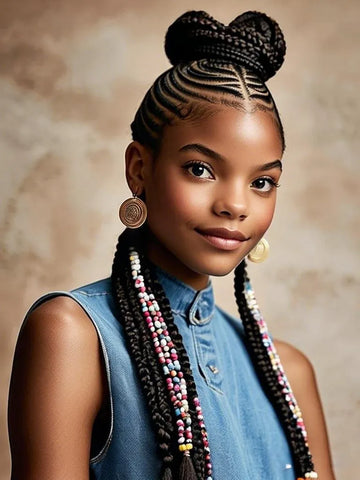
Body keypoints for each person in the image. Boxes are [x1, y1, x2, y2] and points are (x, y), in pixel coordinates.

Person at [8, 10, 335, 480]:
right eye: (201, 169)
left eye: (263, 181)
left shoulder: (291, 376)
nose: (235, 205)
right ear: (140, 169)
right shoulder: (72, 335)